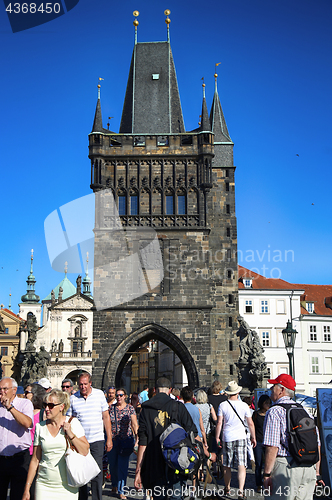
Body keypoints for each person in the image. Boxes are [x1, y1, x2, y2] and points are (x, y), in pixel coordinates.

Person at [135, 377, 214, 500]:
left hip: (154, 463)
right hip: (176, 462)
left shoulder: (146, 410)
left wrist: (138, 471)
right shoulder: (178, 407)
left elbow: (142, 443)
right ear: (170, 390)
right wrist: (208, 454)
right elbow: (194, 435)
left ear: (155, 390)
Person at [263, 374, 322, 500]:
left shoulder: (274, 411)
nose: (271, 389)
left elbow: (272, 446)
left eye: (274, 386)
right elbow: (316, 444)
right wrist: (317, 473)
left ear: (281, 390)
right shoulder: (304, 411)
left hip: (286, 467)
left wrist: (267, 474)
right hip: (308, 468)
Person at [22, 389, 89, 500]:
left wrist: (71, 433)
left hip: (68, 486)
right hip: (44, 485)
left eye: (51, 405)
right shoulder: (40, 427)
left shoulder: (73, 423)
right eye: (45, 405)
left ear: (61, 407)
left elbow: (85, 450)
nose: (47, 409)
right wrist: (27, 488)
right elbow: (35, 459)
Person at [68, 371, 113, 500]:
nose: (83, 387)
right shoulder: (73, 398)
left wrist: (109, 438)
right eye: (81, 384)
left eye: (85, 384)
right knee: (81, 472)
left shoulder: (99, 395)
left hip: (97, 439)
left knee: (96, 472)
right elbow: (69, 419)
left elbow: (106, 417)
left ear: (90, 383)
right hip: (80, 441)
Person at [215, 380, 256, 499]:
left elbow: (219, 423)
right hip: (241, 437)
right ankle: (241, 491)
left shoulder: (223, 405)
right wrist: (253, 437)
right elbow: (250, 423)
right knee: (241, 465)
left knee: (227, 465)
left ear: (228, 393)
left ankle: (227, 488)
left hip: (227, 437)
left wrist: (217, 437)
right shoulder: (244, 405)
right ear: (237, 392)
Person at [0, 376, 34, 500]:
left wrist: (10, 408)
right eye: (0, 389)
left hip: (19, 458)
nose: (2, 392)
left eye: (5, 389)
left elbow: (27, 423)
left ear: (14, 390)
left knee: (17, 495)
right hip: (1, 458)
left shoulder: (24, 403)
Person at [108, 388, 138, 499]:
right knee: (113, 465)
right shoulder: (111, 408)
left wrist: (137, 438)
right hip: (113, 440)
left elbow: (134, 424)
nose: (118, 397)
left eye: (121, 395)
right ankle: (114, 484)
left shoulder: (130, 408)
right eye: (117, 395)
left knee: (123, 466)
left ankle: (121, 490)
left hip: (126, 440)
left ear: (125, 396)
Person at [252, 394, 271, 492]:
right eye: (266, 403)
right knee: (259, 464)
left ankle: (268, 483)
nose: (268, 405)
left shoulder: (270, 413)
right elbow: (252, 427)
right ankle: (259, 484)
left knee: (268, 464)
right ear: (261, 403)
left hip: (268, 442)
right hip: (258, 441)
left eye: (269, 403)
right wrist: (253, 438)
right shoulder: (256, 414)